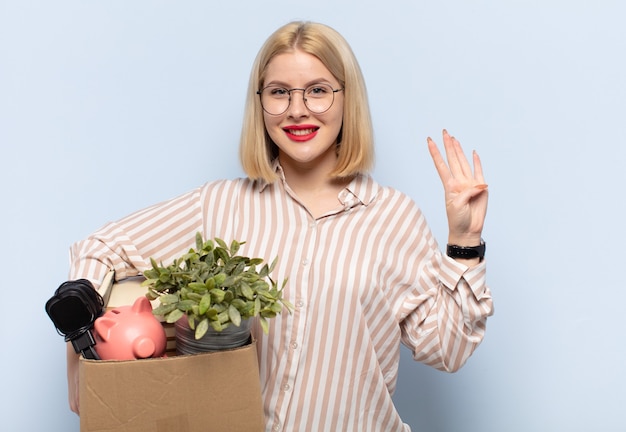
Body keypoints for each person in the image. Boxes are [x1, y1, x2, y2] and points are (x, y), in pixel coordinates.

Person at [65, 21, 493, 431]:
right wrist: (79, 355)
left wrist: (464, 243)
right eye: (279, 93)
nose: (297, 110)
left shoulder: (394, 217)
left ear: (347, 99)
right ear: (261, 103)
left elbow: (447, 350)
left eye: (318, 91)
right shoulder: (221, 205)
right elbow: (99, 248)